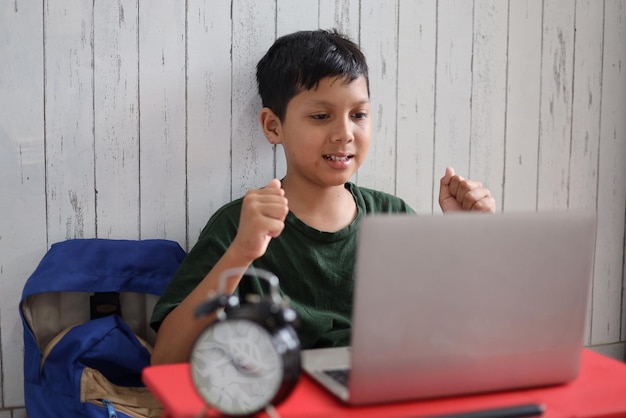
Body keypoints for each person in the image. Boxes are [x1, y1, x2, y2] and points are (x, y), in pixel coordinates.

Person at [150, 29, 495, 365]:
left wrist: (467, 239)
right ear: (273, 126)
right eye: (320, 116)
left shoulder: (393, 217)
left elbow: (456, 331)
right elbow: (166, 359)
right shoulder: (240, 225)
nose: (344, 133)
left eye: (358, 115)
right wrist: (242, 252)